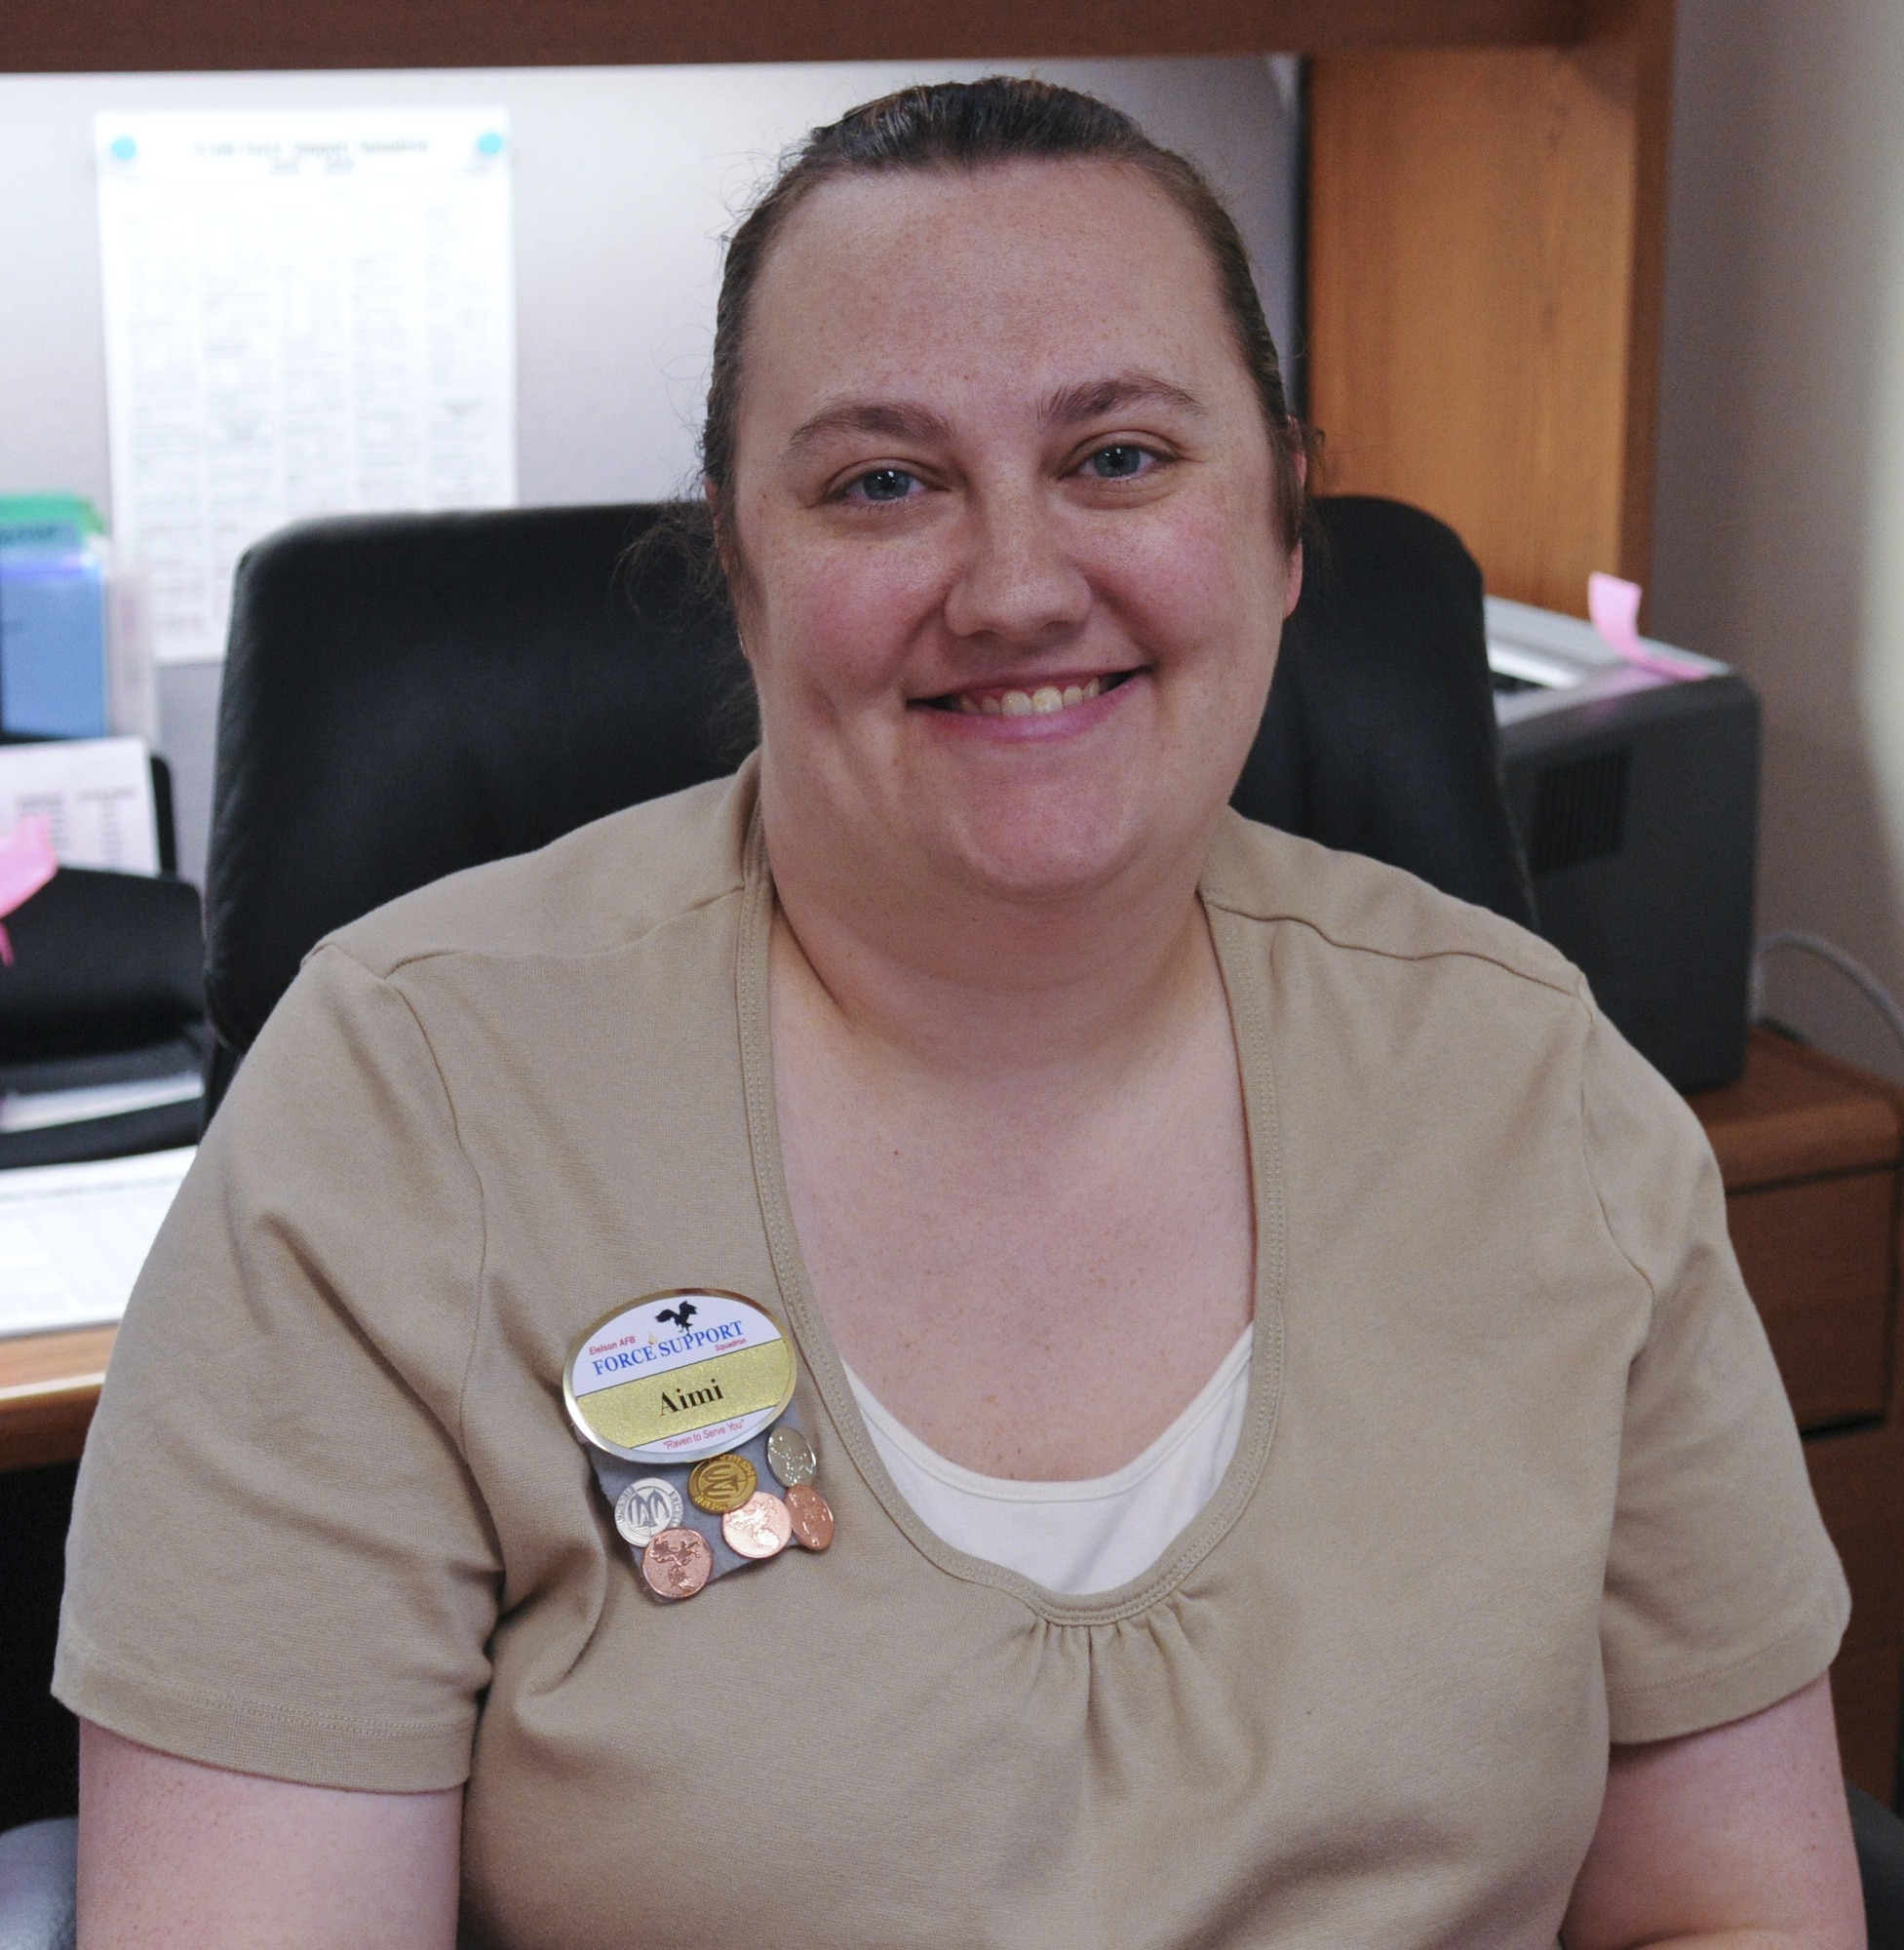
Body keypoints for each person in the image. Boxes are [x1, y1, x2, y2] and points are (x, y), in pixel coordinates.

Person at [59, 78, 1862, 1949]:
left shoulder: (1533, 1089)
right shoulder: (399, 1109)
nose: (1014, 588)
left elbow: (1731, 1911)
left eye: (1119, 457)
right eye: (882, 483)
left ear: (1277, 526)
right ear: (738, 570)